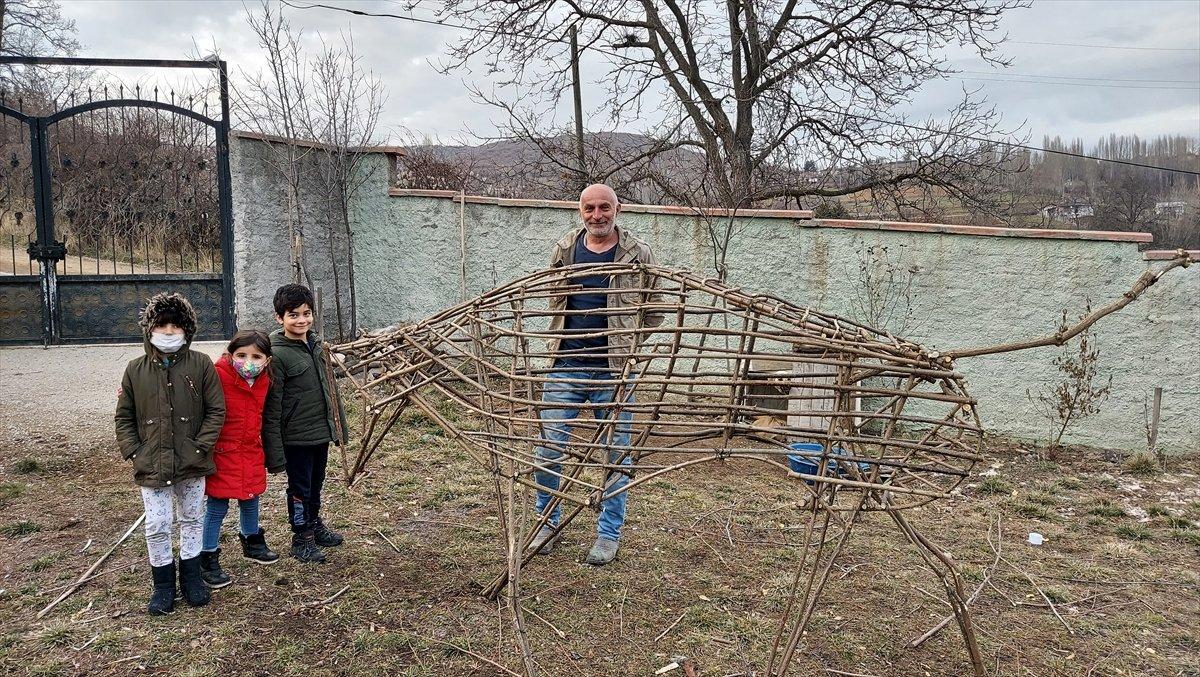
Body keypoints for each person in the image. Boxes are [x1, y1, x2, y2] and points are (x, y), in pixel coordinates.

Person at [531, 183, 663, 565]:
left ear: (617, 209)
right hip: (566, 367)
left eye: (604, 207)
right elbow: (553, 296)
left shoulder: (638, 253)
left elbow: (654, 308)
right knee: (548, 451)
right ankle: (547, 522)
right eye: (589, 208)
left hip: (614, 372)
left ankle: (608, 535)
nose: (597, 215)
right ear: (580, 211)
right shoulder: (566, 249)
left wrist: (627, 346)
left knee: (615, 456)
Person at [115, 292, 226, 615]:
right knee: (158, 524)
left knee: (192, 519)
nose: (167, 332)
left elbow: (215, 410)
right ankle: (163, 585)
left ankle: (192, 578)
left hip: (192, 460)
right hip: (152, 463)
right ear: (149, 329)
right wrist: (135, 451)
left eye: (175, 325)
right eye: (161, 325)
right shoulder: (136, 369)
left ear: (187, 330)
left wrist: (200, 445)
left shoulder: (201, 364)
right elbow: (124, 416)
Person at [262, 284, 348, 564]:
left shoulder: (316, 344)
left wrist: (338, 428)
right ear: (279, 318)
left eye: (306, 313)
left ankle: (313, 523)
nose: (301, 320)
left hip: (319, 432)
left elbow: (329, 390)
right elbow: (272, 407)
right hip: (296, 437)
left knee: (316, 482)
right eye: (293, 315)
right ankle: (301, 537)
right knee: (300, 488)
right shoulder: (277, 354)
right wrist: (274, 451)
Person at [198, 330, 284, 589]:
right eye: (241, 355)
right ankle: (208, 556)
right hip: (222, 452)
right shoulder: (216, 375)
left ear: (267, 360)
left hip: (250, 450)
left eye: (256, 356)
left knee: (251, 497)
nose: (249, 361)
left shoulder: (264, 380)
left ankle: (252, 541)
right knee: (216, 506)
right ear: (230, 354)